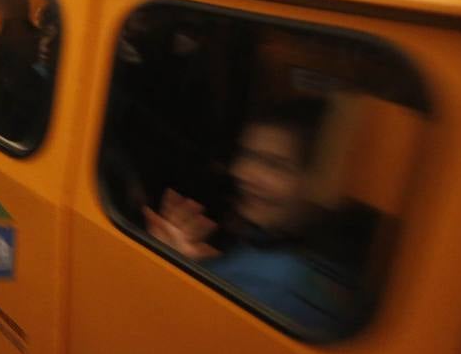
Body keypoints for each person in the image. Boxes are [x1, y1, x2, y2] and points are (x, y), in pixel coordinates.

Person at [144, 98, 371, 338]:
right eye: (247, 155)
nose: (241, 173)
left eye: (274, 165)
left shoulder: (271, 286)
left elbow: (174, 334)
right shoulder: (321, 260)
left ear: (322, 185)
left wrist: (168, 270)